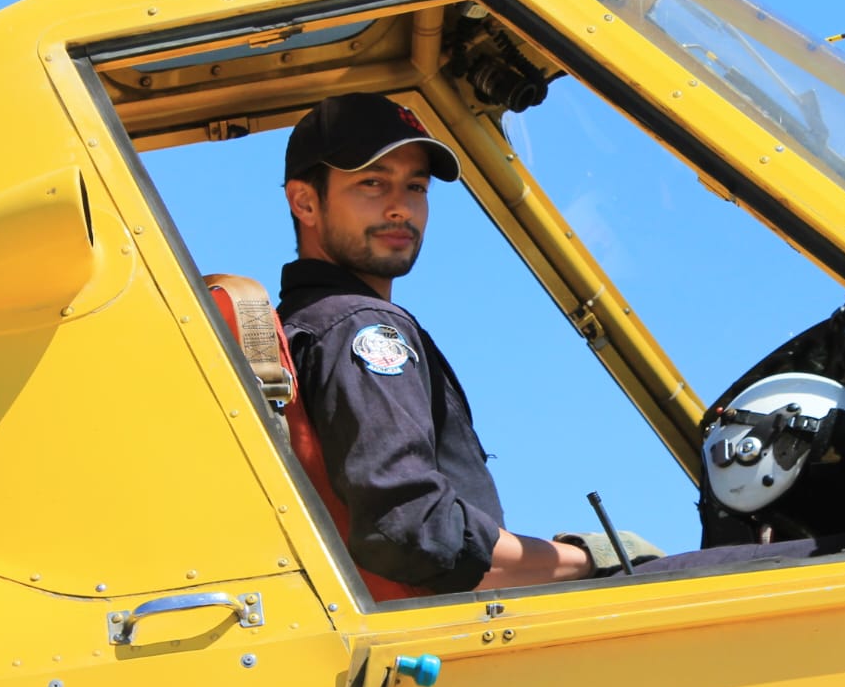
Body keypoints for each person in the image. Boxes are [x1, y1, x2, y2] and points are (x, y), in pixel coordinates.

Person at [279, 93, 660, 598]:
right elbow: (416, 529)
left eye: (415, 186)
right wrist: (590, 558)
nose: (400, 206)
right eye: (372, 183)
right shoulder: (363, 327)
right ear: (305, 201)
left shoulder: (308, 324)